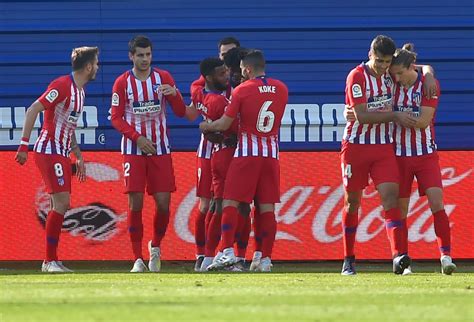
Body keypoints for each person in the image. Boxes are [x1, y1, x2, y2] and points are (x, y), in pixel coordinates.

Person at [200, 50, 289, 272]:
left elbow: (223, 124)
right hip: (271, 155)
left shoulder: (242, 90)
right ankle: (264, 258)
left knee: (229, 202)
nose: (241, 73)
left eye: (242, 70)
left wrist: (206, 126)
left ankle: (227, 251)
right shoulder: (282, 88)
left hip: (247, 153)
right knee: (266, 207)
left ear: (247, 69)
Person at [15, 46, 99, 273]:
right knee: (61, 203)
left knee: (58, 204)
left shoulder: (80, 92)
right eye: (96, 63)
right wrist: (23, 144)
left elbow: (69, 125)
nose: (98, 68)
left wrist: (77, 155)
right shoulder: (62, 85)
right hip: (48, 149)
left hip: (61, 152)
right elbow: (33, 109)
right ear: (89, 66)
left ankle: (51, 260)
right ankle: (49, 261)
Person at [341, 35, 418, 275]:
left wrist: (427, 72)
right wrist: (394, 115)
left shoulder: (390, 74)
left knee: (391, 200)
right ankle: (349, 259)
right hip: (355, 146)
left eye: (387, 62)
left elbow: (416, 68)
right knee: (353, 202)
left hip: (384, 146)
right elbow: (362, 116)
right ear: (369, 54)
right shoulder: (357, 76)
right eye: (379, 61)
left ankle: (399, 257)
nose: (383, 66)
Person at [110, 35, 186, 273]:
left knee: (163, 204)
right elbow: (116, 118)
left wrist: (174, 93)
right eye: (140, 55)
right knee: (136, 203)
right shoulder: (122, 83)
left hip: (161, 149)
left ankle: (156, 246)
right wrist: (138, 139)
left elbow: (181, 112)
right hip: (134, 150)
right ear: (131, 56)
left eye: (148, 55)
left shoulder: (163, 78)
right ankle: (137, 258)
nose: (145, 59)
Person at [390, 44, 456, 275]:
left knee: (437, 203)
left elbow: (423, 121)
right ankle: (402, 260)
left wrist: (393, 115)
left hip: (425, 154)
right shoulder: (392, 83)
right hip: (398, 156)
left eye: (400, 73)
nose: (396, 78)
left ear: (411, 68)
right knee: (400, 210)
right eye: (393, 74)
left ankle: (445, 257)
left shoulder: (429, 85)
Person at [189, 37, 240, 271]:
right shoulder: (209, 87)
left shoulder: (237, 82)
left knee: (229, 205)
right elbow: (196, 94)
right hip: (212, 150)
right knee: (208, 205)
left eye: (231, 55)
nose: (227, 66)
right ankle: (204, 254)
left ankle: (223, 253)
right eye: (223, 55)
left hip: (226, 148)